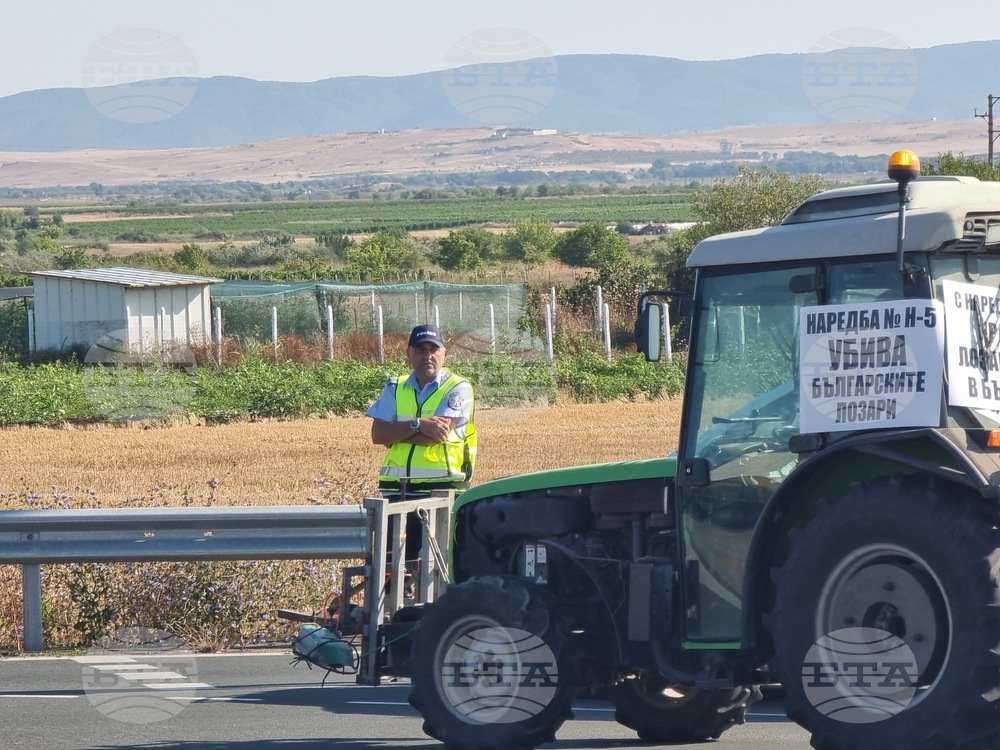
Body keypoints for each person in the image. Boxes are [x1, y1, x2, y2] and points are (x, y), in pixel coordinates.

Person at [366, 323, 476, 562]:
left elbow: (436, 436)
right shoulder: (395, 387)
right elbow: (378, 435)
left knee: (432, 568)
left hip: (442, 490)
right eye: (420, 349)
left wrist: (397, 432)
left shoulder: (458, 388)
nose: (428, 355)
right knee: (391, 566)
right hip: (397, 489)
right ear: (409, 353)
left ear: (444, 352)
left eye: (433, 349)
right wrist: (418, 424)